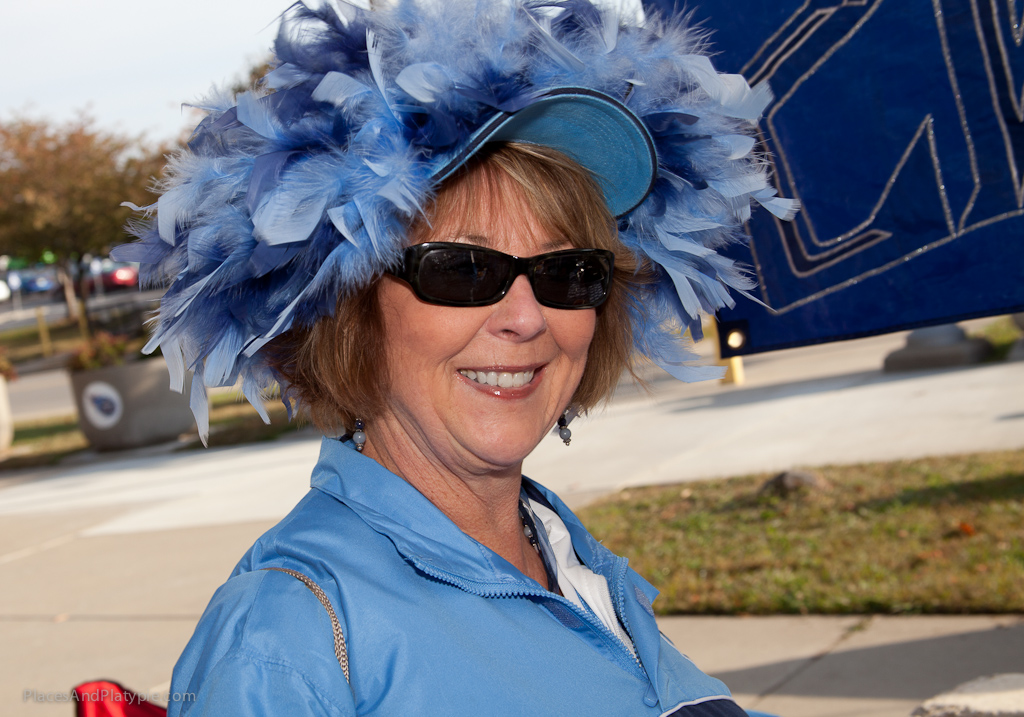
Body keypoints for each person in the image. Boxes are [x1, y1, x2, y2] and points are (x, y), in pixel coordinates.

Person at [114, 1, 796, 714]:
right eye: (463, 269)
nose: (528, 317)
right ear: (349, 310)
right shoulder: (290, 637)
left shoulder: (564, 558)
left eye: (568, 271)